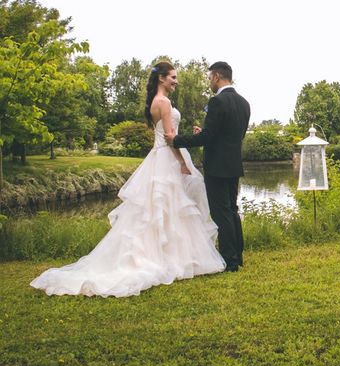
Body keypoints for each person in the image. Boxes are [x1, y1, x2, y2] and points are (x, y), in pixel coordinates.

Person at [30, 61, 226, 297]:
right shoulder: (163, 102)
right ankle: (169, 257)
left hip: (159, 157)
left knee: (162, 208)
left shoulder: (156, 101)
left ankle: (166, 254)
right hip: (168, 157)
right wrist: (183, 162)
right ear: (162, 78)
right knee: (170, 206)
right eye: (173, 77)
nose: (176, 81)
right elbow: (169, 137)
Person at [166, 61, 250, 272]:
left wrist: (176, 140)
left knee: (221, 213)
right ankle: (237, 256)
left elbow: (208, 137)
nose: (209, 82)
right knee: (232, 210)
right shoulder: (244, 103)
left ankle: (229, 262)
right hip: (233, 165)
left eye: (210, 77)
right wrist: (204, 133)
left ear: (216, 77)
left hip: (217, 167)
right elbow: (230, 135)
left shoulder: (217, 102)